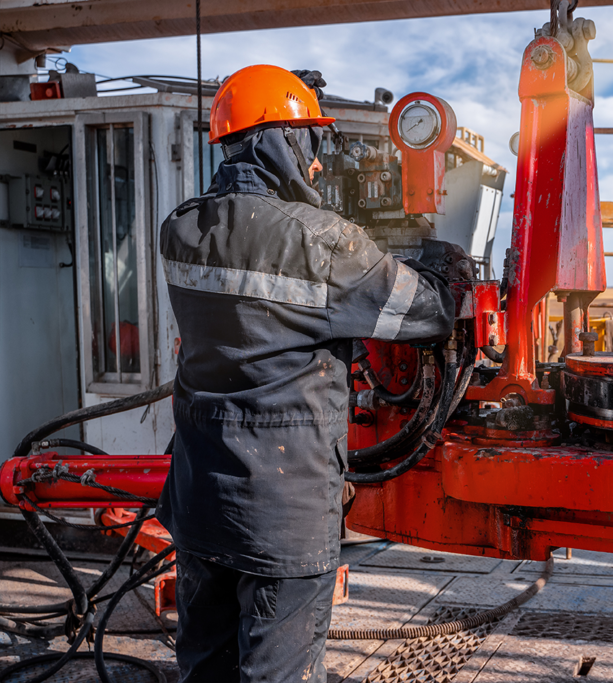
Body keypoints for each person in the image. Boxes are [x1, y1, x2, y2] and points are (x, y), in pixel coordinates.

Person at [157, 65, 456, 682]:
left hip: (198, 496)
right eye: (313, 142)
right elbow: (428, 313)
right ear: (282, 141)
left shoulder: (180, 230)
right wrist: (445, 265)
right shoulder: (323, 243)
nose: (318, 162)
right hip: (280, 514)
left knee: (204, 667)